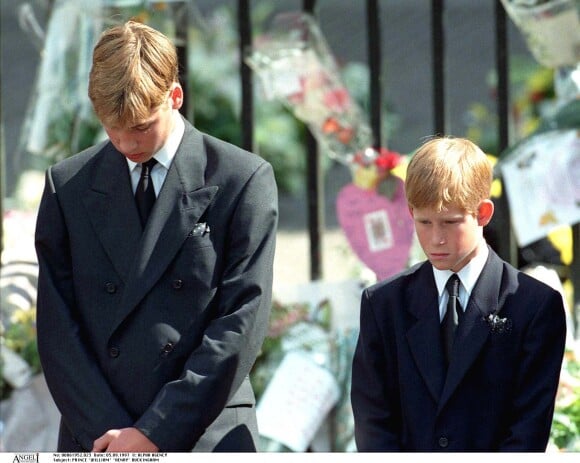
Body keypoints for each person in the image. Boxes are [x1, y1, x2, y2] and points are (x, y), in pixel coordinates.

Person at [34, 20, 278, 452]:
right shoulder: (67, 185)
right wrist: (111, 435)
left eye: (142, 127)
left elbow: (241, 321)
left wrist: (155, 432)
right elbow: (57, 328)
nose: (128, 143)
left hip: (203, 431)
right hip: (98, 437)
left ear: (175, 97)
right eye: (113, 129)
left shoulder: (242, 180)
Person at [350, 136, 567, 451]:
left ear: (483, 214)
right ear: (410, 211)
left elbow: (528, 429)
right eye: (424, 222)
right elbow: (373, 421)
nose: (436, 238)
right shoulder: (383, 305)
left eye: (450, 223)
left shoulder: (532, 306)